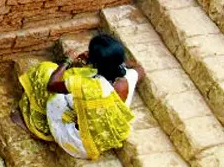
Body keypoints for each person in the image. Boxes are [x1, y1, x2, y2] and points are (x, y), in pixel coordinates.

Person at [13, 34, 146, 160]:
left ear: (95, 62)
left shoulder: (84, 86)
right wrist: (114, 63)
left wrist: (68, 60)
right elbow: (140, 69)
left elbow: (52, 85)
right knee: (79, 77)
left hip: (78, 144)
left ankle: (37, 127)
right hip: (106, 139)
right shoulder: (126, 80)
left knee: (45, 70)